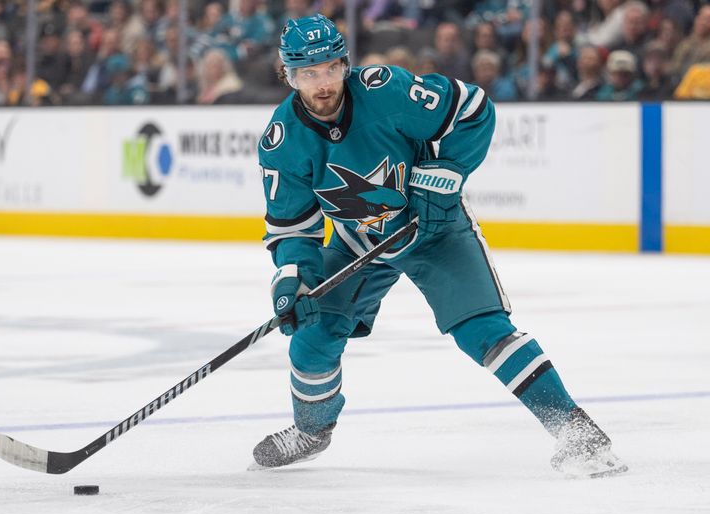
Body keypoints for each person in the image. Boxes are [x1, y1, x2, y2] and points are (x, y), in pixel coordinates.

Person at [252, 13, 628, 478]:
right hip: (356, 242)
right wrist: (294, 277)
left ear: (346, 63)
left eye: (330, 68)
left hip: (432, 227)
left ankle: (577, 432)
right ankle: (311, 431)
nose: (322, 83)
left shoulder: (386, 89)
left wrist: (448, 170)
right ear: (287, 75)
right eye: (307, 74)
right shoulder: (281, 140)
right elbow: (293, 229)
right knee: (310, 340)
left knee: (483, 331)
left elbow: (474, 111)